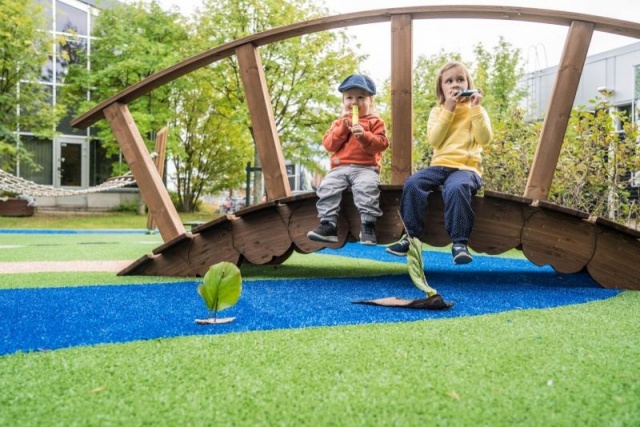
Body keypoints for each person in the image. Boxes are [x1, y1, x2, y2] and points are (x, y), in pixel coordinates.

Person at [386, 61, 492, 263]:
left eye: (460, 79)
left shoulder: (476, 110)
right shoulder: (437, 112)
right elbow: (434, 140)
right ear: (441, 89)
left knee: (456, 188)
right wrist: (449, 110)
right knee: (413, 183)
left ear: (468, 83)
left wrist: (476, 109)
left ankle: (459, 243)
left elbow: (485, 139)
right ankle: (410, 237)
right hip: (440, 165)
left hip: (466, 168)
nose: (455, 84)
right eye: (449, 81)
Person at [307, 74, 389, 245]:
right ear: (343, 101)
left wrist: (365, 136)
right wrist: (343, 129)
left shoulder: (375, 122)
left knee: (367, 189)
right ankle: (328, 225)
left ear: (370, 100)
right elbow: (329, 145)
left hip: (366, 168)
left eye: (361, 97)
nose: (354, 102)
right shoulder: (339, 123)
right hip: (339, 168)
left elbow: (382, 144)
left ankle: (368, 225)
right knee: (327, 187)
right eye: (349, 97)